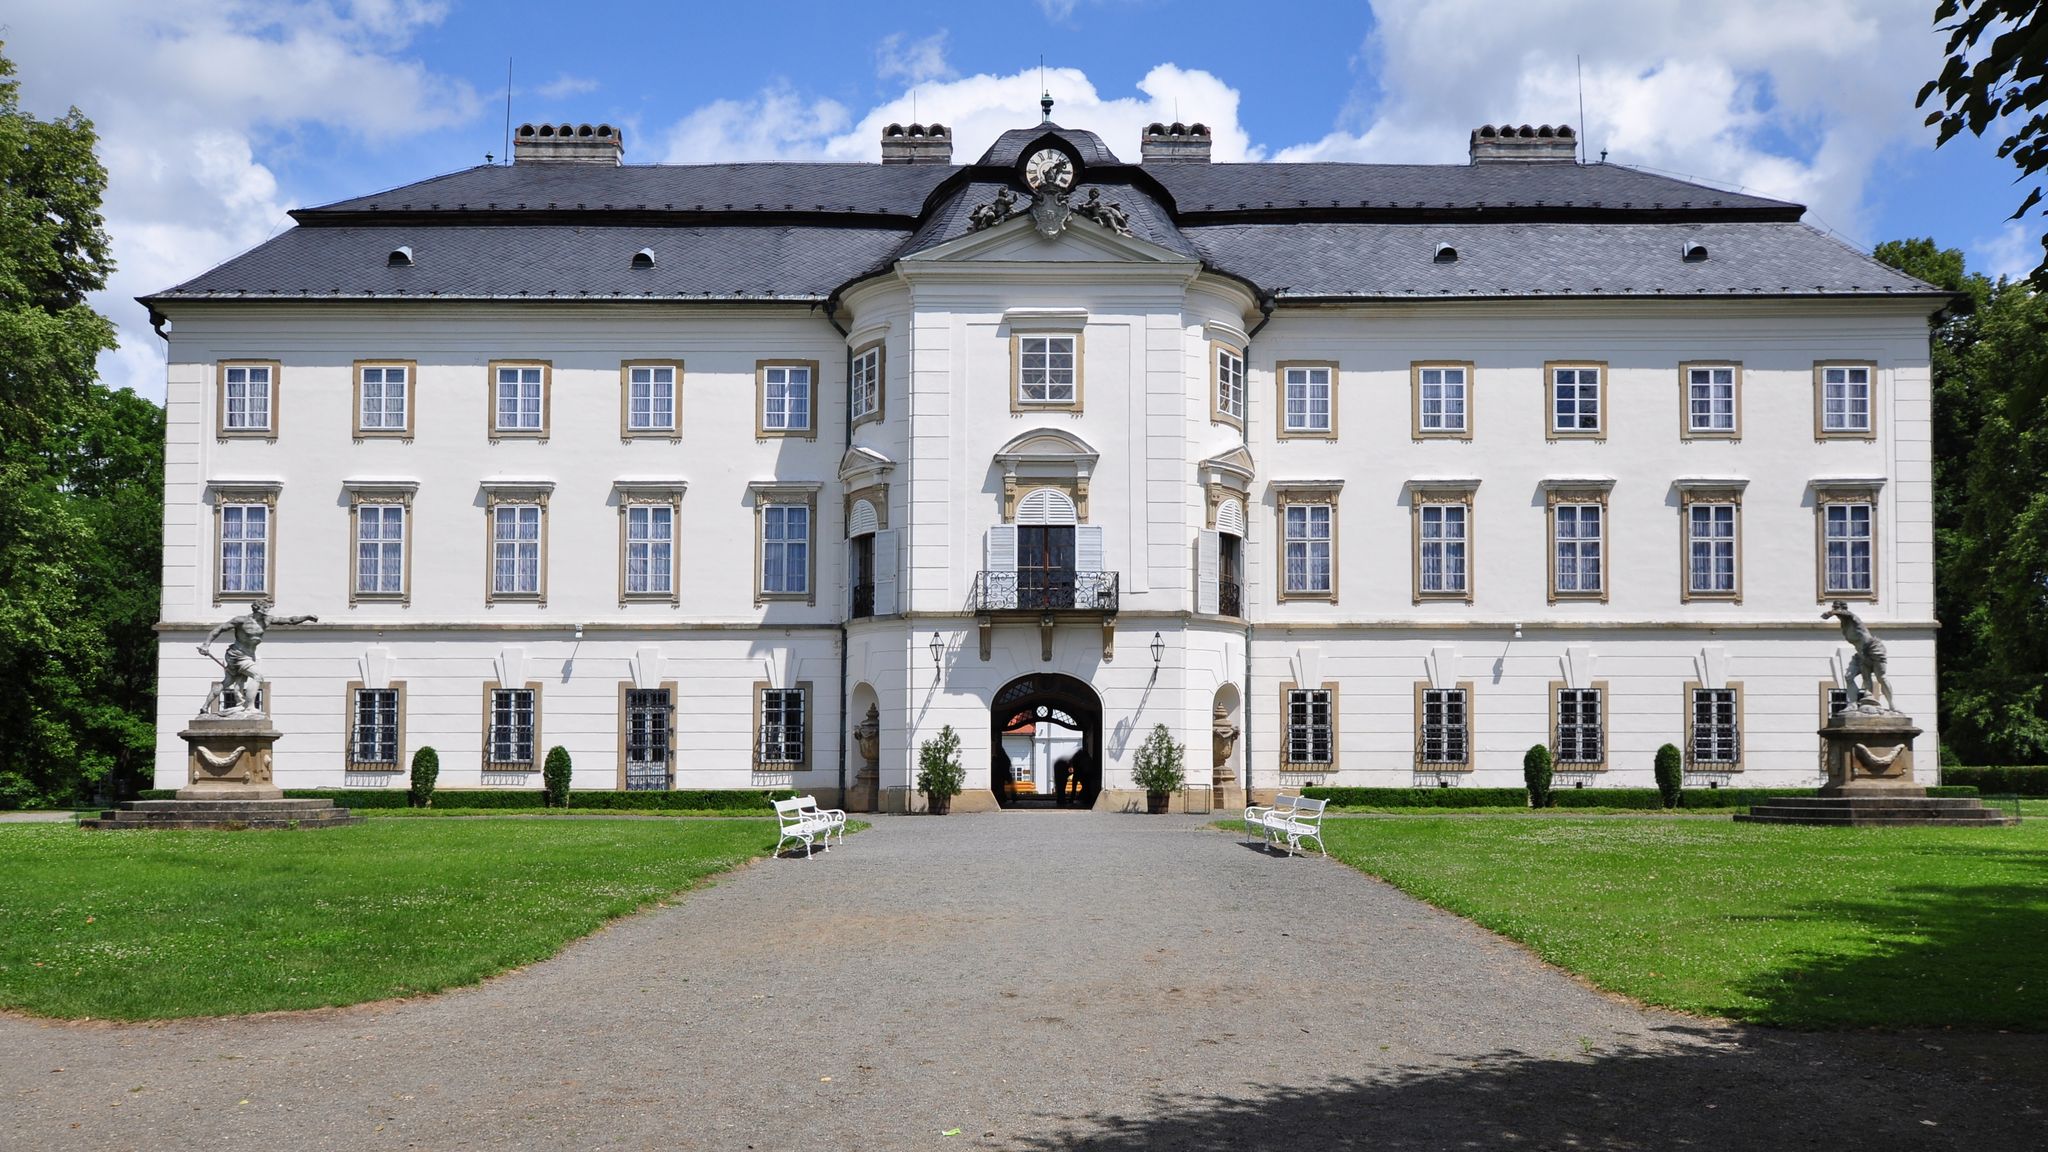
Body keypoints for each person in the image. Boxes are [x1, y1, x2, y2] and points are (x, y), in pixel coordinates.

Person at [199, 600, 318, 716]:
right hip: (237, 655)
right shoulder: (241, 620)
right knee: (258, 676)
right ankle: (250, 708)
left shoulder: (267, 619)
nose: (267, 612)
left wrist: (306, 617)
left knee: (228, 681)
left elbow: (290, 620)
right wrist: (206, 645)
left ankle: (205, 707)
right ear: (256, 609)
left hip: (249, 655)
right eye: (264, 609)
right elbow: (219, 629)